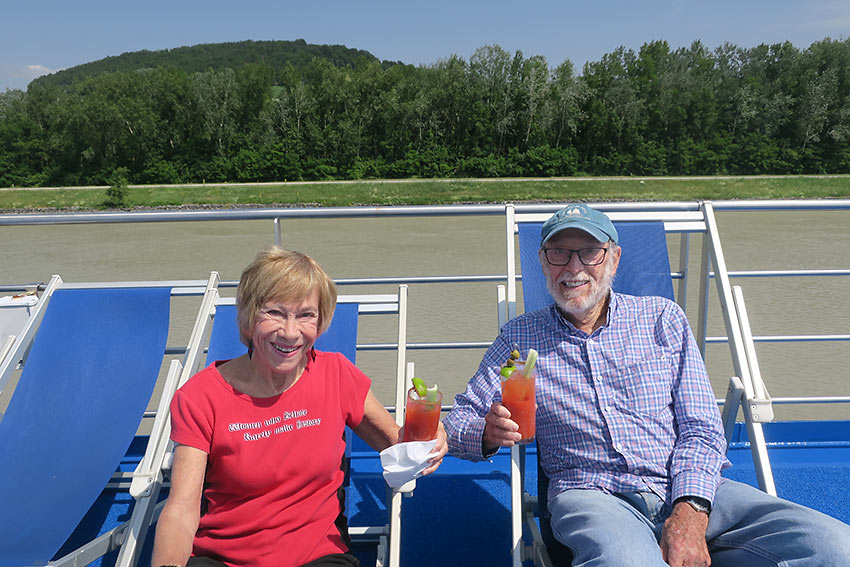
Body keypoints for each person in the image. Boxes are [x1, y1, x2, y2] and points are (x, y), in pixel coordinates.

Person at [443, 203, 850, 566]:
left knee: (834, 546)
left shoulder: (662, 320)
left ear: (614, 259)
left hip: (685, 483)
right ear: (542, 262)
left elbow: (702, 428)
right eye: (559, 253)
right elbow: (457, 423)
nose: (573, 267)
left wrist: (689, 510)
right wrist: (488, 433)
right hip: (590, 494)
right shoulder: (519, 339)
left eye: (589, 252)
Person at [152, 246, 447, 567]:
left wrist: (430, 438)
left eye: (306, 315)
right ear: (249, 318)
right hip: (224, 558)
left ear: (321, 322)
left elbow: (397, 446)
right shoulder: (201, 396)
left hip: (319, 556)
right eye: (275, 312)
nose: (290, 332)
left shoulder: (337, 375)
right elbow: (181, 508)